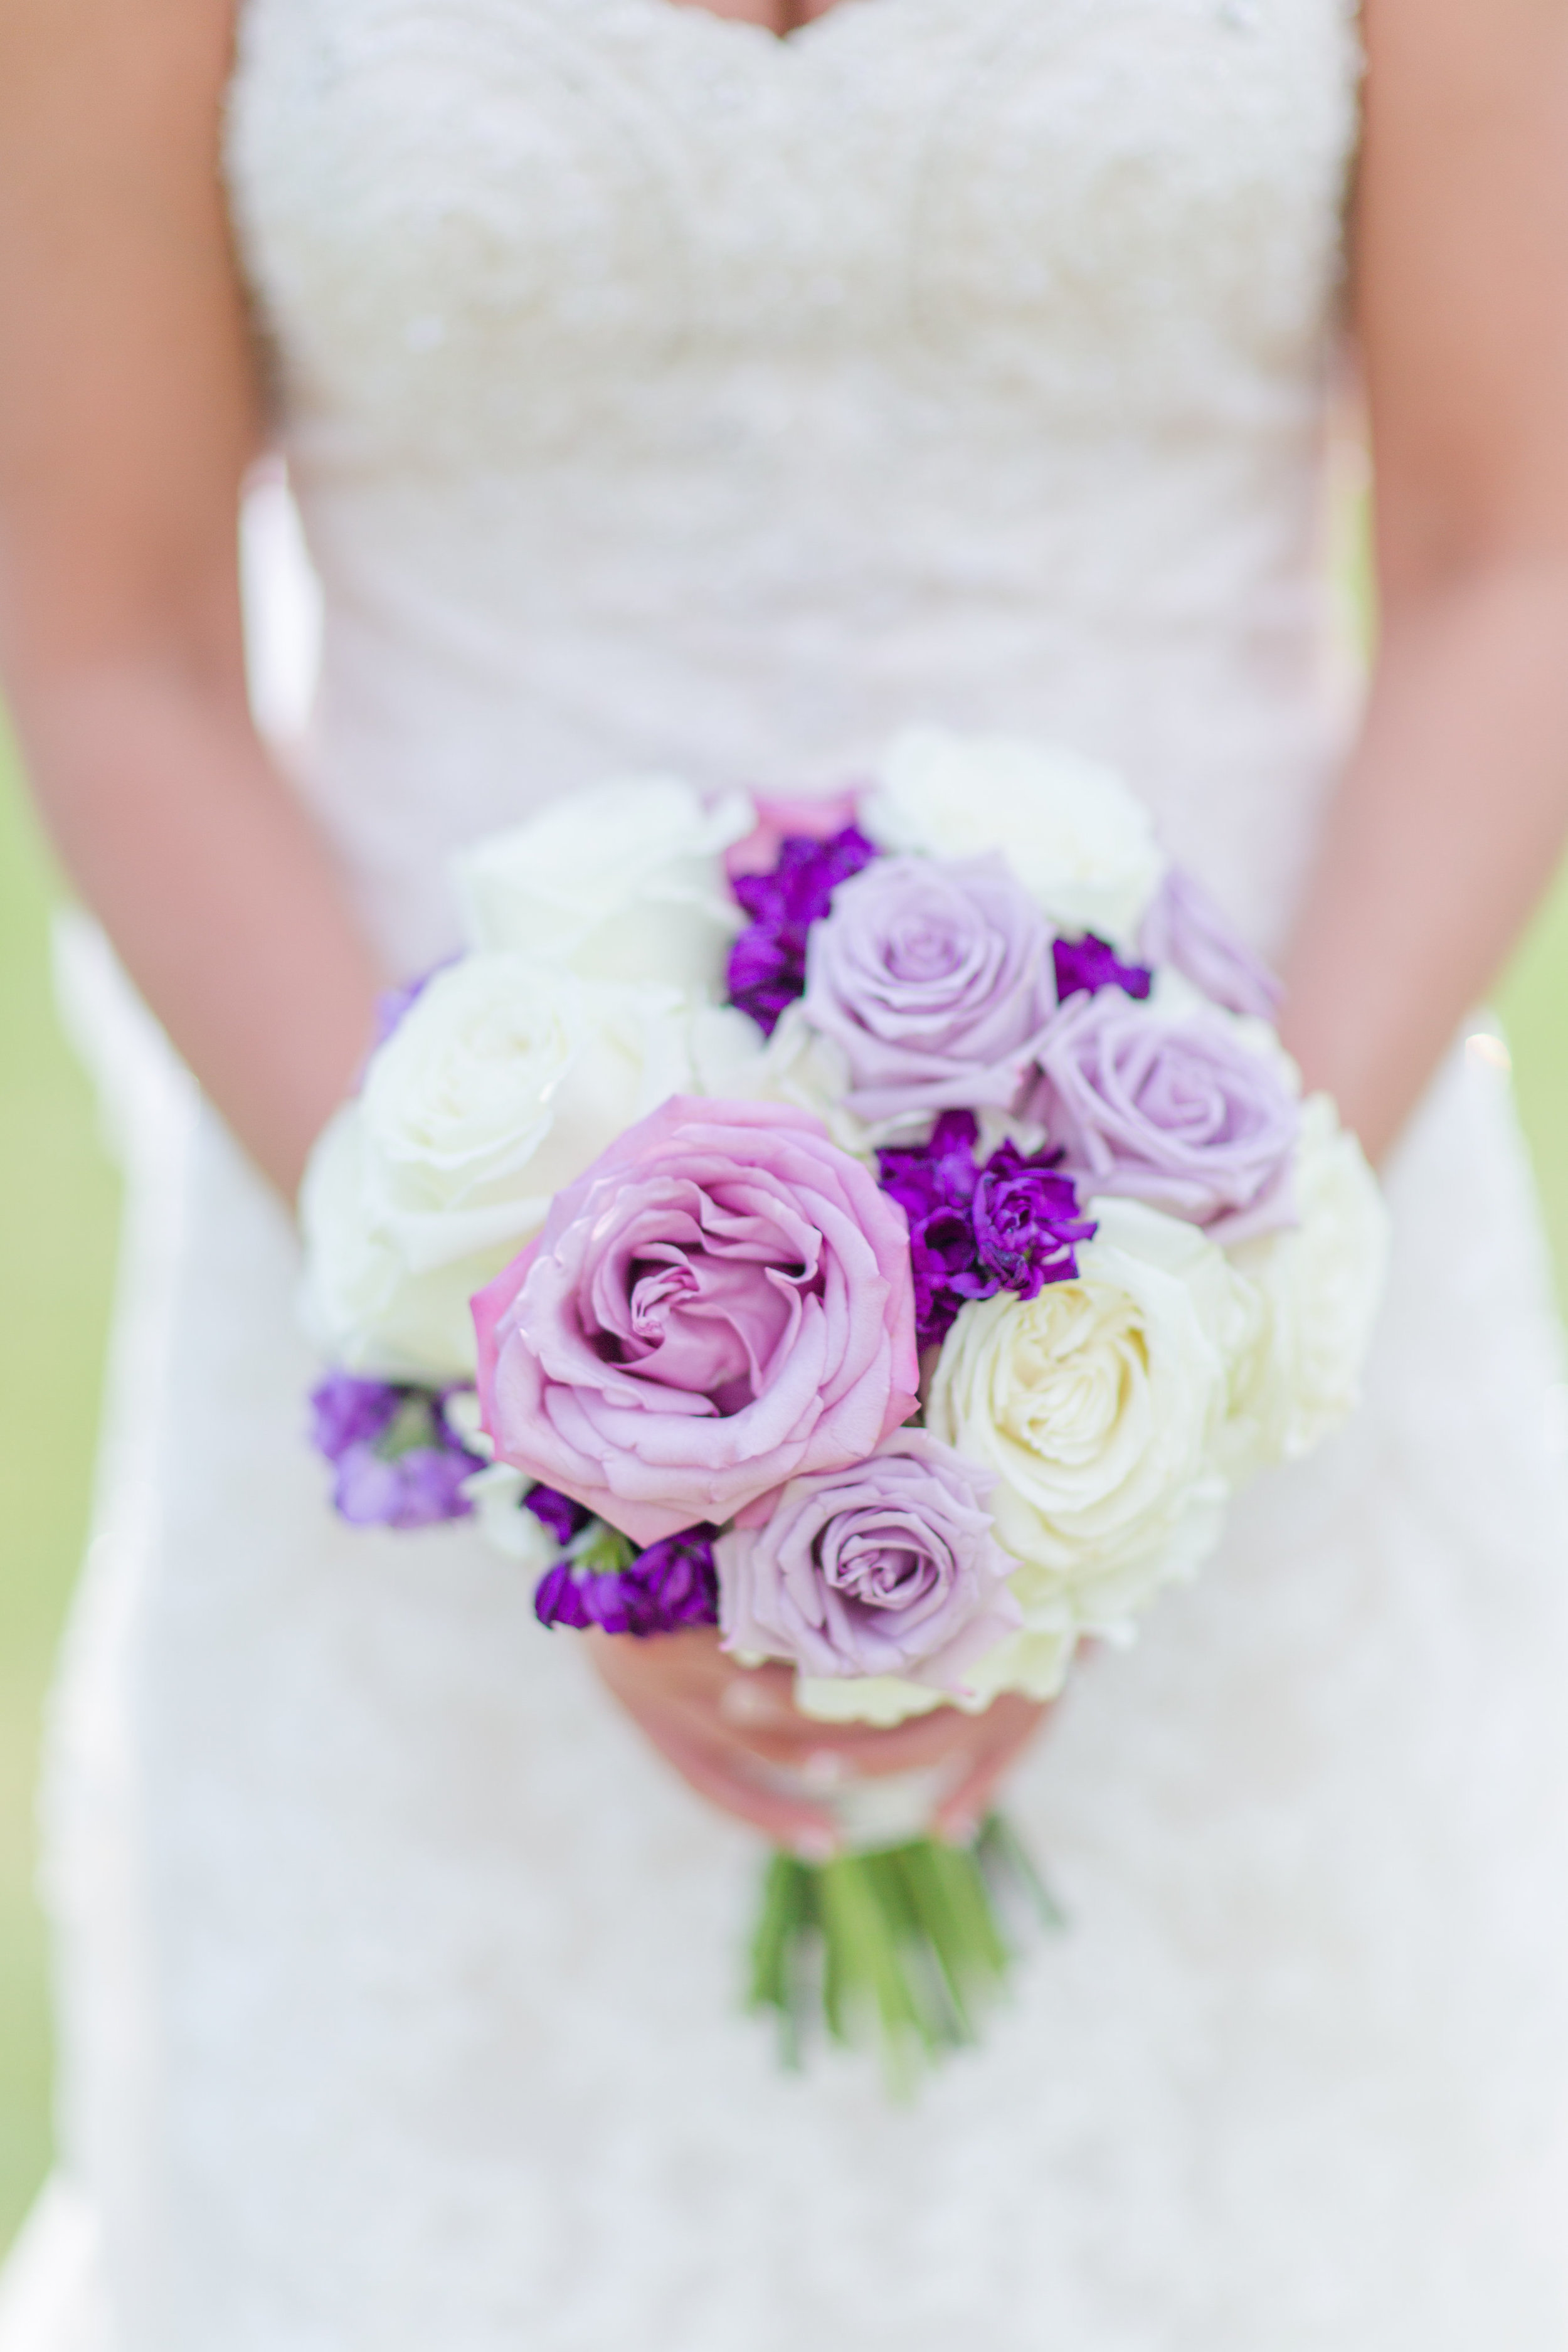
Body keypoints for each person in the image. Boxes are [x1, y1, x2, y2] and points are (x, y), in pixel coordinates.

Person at [2, 0, 1567, 2340]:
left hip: (1240, 1298)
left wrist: (1201, 1300)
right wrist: (543, 1386)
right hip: (403, 1354)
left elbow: (1511, 560)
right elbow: (110, 636)